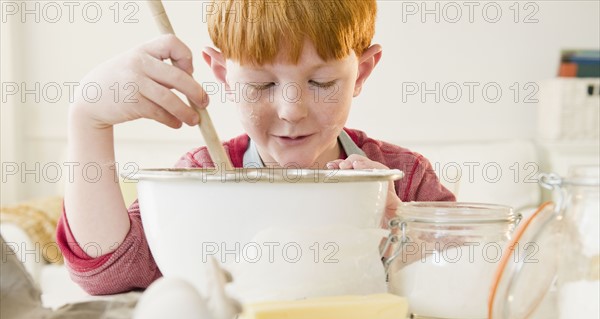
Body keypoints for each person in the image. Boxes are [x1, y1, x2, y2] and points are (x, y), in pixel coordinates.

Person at [56, 0, 455, 295]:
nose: (291, 110)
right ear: (223, 76)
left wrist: (406, 231)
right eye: (262, 84)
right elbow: (110, 272)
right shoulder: (201, 179)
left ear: (361, 73)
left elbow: (469, 274)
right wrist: (88, 120)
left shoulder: (407, 179)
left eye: (321, 83)